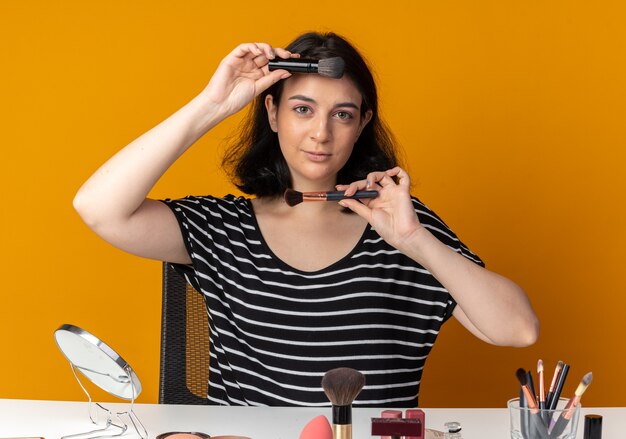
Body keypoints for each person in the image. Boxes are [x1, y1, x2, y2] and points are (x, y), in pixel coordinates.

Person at [73, 32, 539, 407]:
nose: (321, 132)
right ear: (272, 113)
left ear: (361, 125)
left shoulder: (397, 225)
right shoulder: (223, 228)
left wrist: (416, 242)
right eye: (302, 109)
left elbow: (518, 330)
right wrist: (212, 106)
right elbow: (98, 209)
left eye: (343, 114)